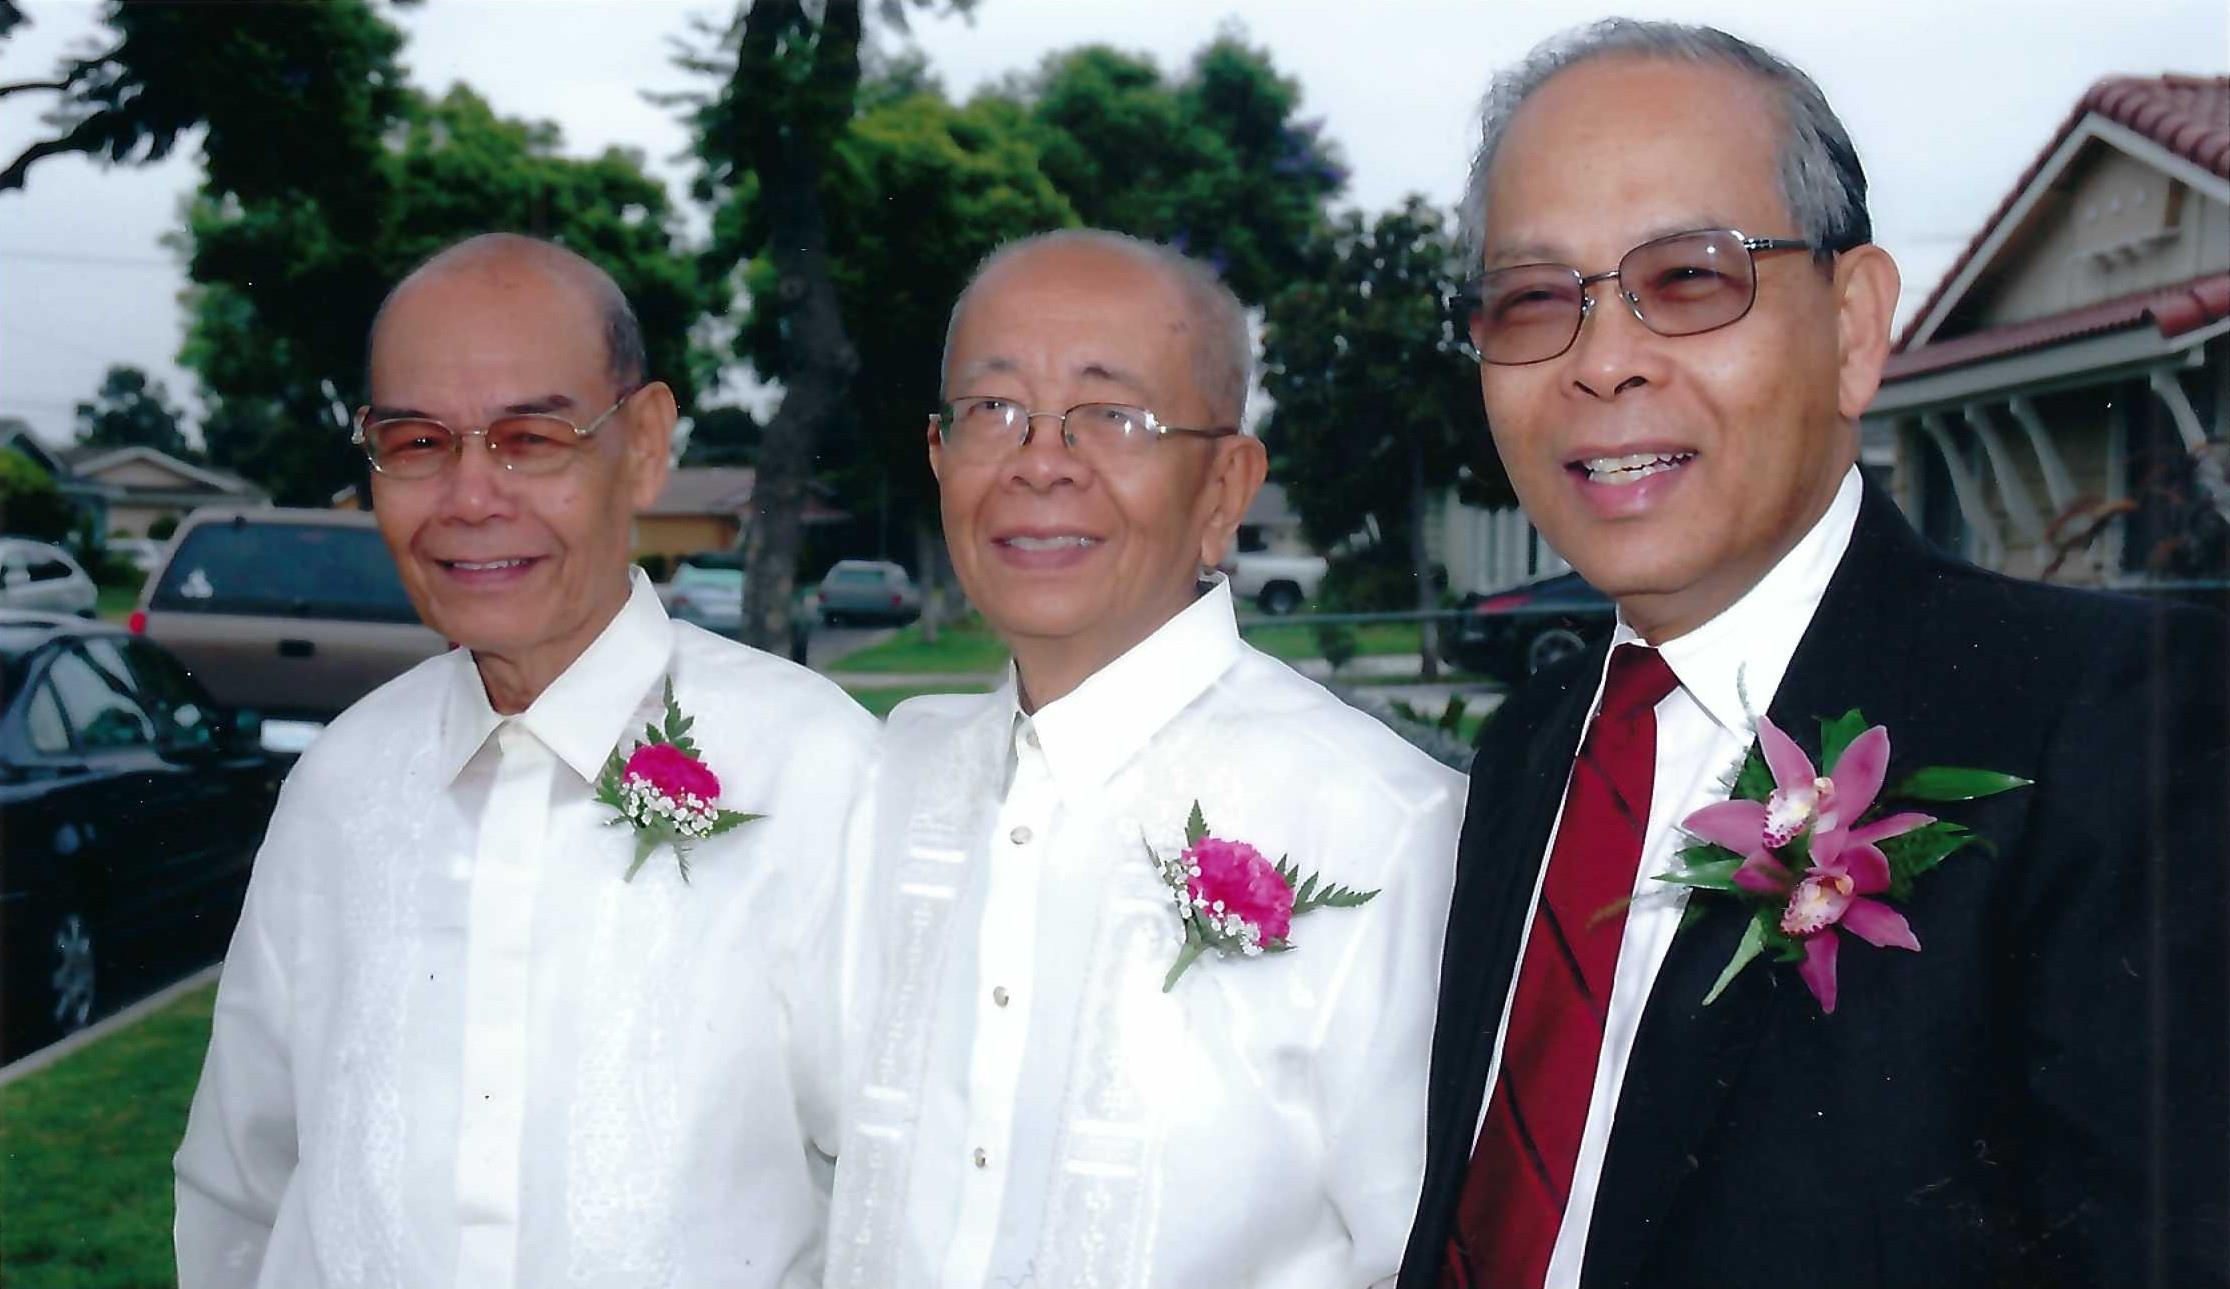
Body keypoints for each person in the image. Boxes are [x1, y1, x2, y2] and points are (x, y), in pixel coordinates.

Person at [1399, 20, 2229, 1289]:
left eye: (1686, 279)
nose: (1603, 360)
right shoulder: (1528, 749)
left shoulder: (2117, 723)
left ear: (1853, 327)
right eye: (1531, 300)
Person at [173, 233, 878, 1289]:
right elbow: (241, 1184)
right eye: (416, 442)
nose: (468, 496)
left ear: (643, 443)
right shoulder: (341, 784)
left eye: (530, 436)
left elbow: (908, 1204)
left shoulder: (819, 772)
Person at [822, 228, 1465, 1289]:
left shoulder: (1387, 826)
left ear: (1224, 485)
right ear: (937, 455)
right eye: (993, 411)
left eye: (1111, 416)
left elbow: (1427, 1252)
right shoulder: (890, 778)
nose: (1038, 462)